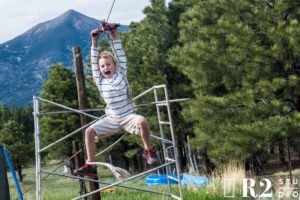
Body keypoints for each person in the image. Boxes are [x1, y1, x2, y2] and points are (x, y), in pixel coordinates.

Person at [74, 25, 158, 176]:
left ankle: (148, 151)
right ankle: (91, 165)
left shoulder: (121, 73)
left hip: (128, 116)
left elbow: (119, 53)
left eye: (108, 64)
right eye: (102, 66)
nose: (105, 67)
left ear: (114, 65)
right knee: (89, 131)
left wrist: (114, 33)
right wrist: (94, 40)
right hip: (112, 119)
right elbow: (94, 61)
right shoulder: (99, 80)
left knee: (143, 121)